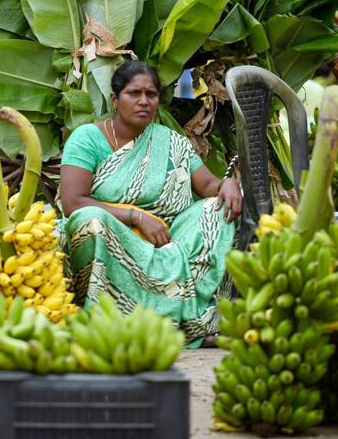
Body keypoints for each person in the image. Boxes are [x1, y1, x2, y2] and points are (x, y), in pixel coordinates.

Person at [59, 60, 242, 347]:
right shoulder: (88, 139)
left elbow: (207, 186)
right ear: (115, 99)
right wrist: (136, 217)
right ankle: (110, 325)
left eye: (151, 94)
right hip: (113, 236)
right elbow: (72, 202)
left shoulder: (169, 140)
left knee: (216, 210)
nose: (144, 101)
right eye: (134, 93)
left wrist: (227, 184)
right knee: (89, 219)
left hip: (167, 238)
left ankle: (186, 321)